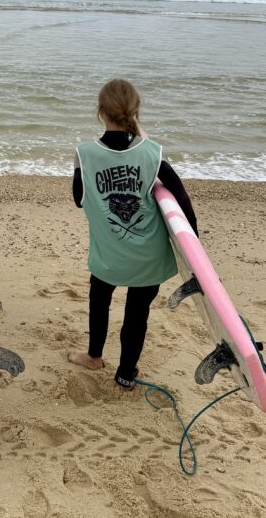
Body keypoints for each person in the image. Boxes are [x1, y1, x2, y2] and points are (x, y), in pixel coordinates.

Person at [68, 78, 197, 390]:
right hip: (148, 257)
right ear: (135, 113)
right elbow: (182, 203)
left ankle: (94, 356)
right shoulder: (153, 155)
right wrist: (195, 249)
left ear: (100, 112)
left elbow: (78, 198)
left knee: (99, 298)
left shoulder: (85, 155)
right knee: (137, 315)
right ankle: (126, 374)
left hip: (109, 255)